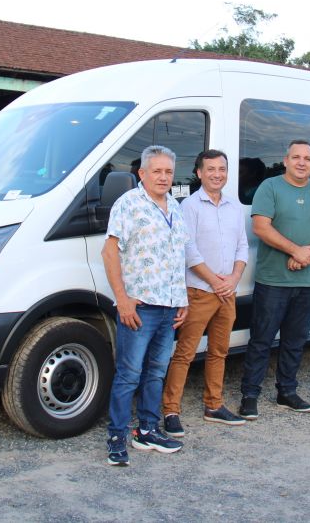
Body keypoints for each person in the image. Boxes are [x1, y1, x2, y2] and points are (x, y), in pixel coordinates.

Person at [238, 140, 310, 419]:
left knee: (295, 340)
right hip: (273, 279)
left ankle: (287, 391)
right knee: (261, 340)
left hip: (307, 281)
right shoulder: (270, 187)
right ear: (285, 160)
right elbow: (261, 226)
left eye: (307, 158)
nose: (301, 162)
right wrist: (295, 250)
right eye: (296, 157)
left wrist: (308, 254)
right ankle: (250, 394)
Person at [102, 145, 189, 466]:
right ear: (142, 173)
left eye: (168, 171)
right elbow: (110, 253)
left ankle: (148, 430)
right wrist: (122, 299)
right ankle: (116, 437)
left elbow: (178, 256)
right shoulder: (128, 205)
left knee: (156, 373)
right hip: (140, 308)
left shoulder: (175, 207)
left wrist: (183, 300)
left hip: (169, 307)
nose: (163, 177)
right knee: (128, 374)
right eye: (157, 171)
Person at [161, 150, 249, 437]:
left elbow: (242, 247)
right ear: (199, 173)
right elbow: (188, 250)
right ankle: (170, 411)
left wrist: (234, 278)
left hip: (227, 292)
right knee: (185, 353)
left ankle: (214, 405)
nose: (217, 174)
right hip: (200, 291)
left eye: (222, 169)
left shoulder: (234, 207)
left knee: (219, 352)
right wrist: (215, 281)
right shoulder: (189, 206)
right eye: (210, 169)